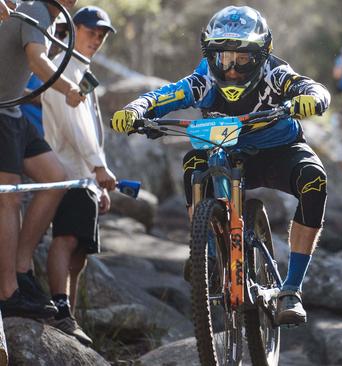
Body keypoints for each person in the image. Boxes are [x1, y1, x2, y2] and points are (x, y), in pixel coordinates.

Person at [110, 6, 330, 326]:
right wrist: (133, 110)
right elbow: (161, 96)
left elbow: (312, 88)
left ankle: (291, 289)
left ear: (260, 55)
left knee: (314, 180)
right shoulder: (203, 79)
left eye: (242, 59)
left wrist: (313, 99)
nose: (231, 69)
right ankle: (206, 253)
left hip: (280, 150)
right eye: (223, 57)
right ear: (210, 54)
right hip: (228, 150)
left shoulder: (274, 74)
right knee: (194, 166)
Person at [0, 0, 83, 319]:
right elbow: (37, 60)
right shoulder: (35, 9)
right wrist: (68, 88)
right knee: (9, 199)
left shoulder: (45, 16)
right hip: (3, 116)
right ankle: (7, 292)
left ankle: (21, 269)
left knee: (54, 177)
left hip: (14, 112)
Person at [41, 5, 117, 345]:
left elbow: (91, 129)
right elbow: (74, 127)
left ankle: (70, 318)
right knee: (67, 239)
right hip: (67, 169)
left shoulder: (81, 70)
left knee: (81, 252)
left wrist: (96, 178)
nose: (96, 39)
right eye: (91, 32)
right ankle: (60, 310)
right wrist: (97, 167)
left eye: (101, 35)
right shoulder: (61, 68)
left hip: (84, 174)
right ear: (72, 30)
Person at [21, 14, 70, 136]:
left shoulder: (63, 68)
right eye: (54, 31)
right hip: (16, 128)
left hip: (44, 138)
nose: (57, 38)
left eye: (62, 34)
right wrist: (45, 98)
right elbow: (8, 91)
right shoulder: (23, 57)